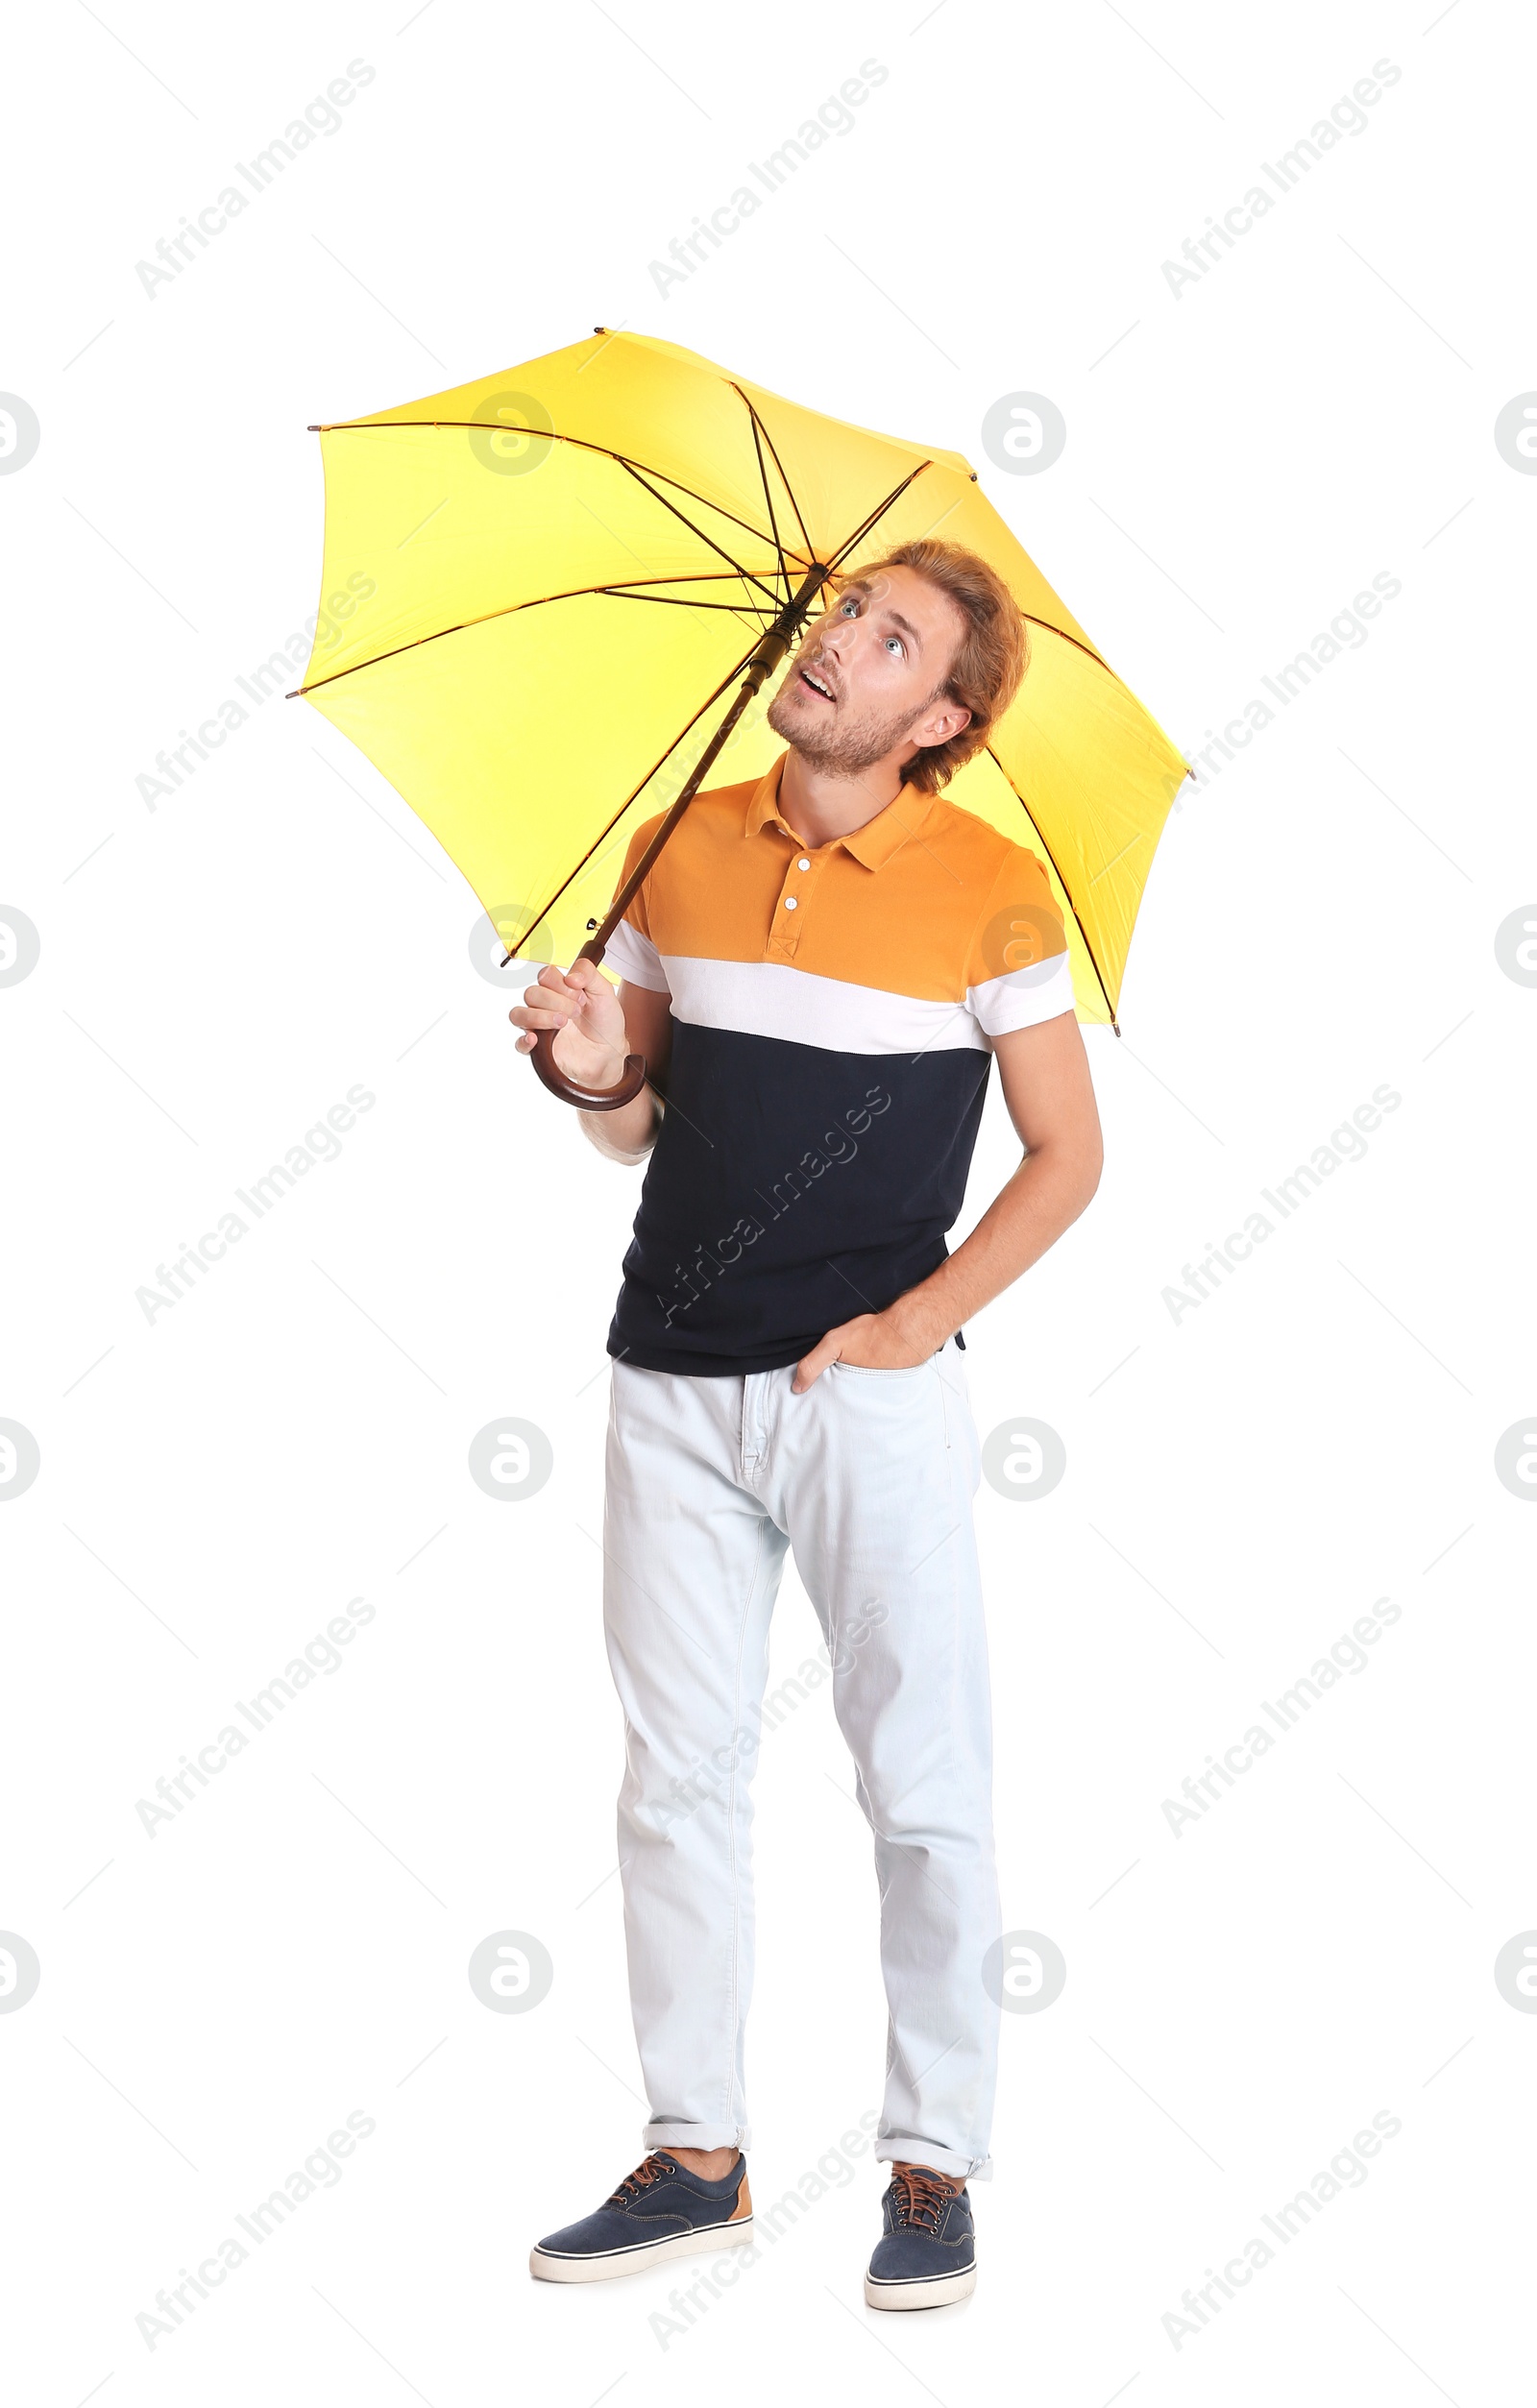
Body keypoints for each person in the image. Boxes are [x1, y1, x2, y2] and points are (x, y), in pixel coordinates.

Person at [509, 539, 1103, 2310]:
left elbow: (1071, 1156)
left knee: (923, 1790)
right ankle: (697, 2158)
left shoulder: (995, 891)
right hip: (666, 1380)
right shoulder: (682, 838)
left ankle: (934, 2164)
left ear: (945, 716)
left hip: (866, 1403)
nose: (840, 640)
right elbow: (630, 1122)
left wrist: (916, 1325)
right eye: (843, 610)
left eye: (890, 635)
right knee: (674, 1781)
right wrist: (593, 1061)